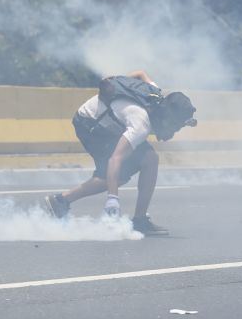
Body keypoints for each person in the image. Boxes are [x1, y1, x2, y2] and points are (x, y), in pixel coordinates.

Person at [44, 71, 197, 236]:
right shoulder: (140, 124)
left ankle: (139, 220)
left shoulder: (155, 94)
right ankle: (61, 201)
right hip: (90, 123)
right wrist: (113, 198)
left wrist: (117, 83)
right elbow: (115, 158)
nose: (175, 131)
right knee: (116, 175)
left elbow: (141, 74)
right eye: (176, 126)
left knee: (150, 159)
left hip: (109, 121)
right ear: (166, 118)